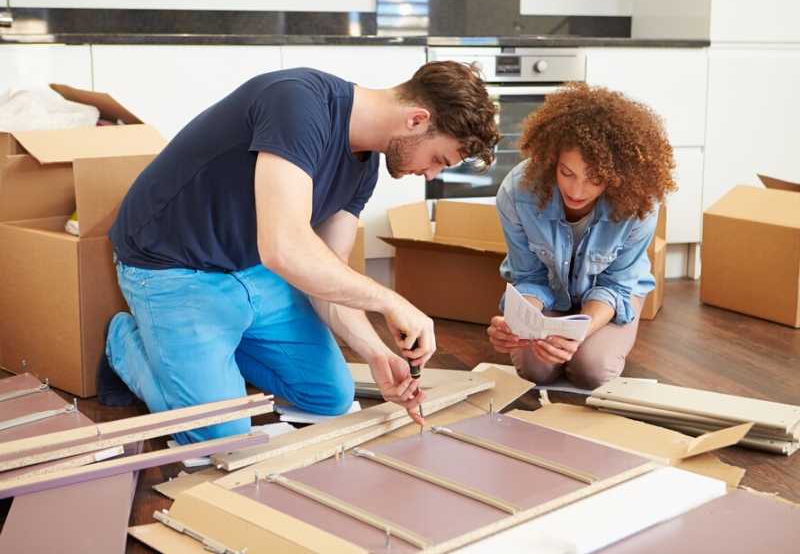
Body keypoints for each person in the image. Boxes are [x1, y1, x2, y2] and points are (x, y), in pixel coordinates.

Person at [100, 62, 499, 443]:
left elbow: (326, 273)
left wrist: (376, 353)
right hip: (172, 264)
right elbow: (285, 248)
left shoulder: (366, 169)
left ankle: (214, 349)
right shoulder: (297, 102)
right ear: (416, 119)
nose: (430, 175)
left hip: (250, 266)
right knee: (219, 438)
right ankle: (126, 342)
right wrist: (389, 301)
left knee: (331, 397)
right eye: (437, 160)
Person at [487, 83, 676, 389]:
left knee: (592, 370)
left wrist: (578, 332)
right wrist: (518, 322)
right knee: (537, 369)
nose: (576, 191)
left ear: (618, 176)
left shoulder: (640, 203)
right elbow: (528, 276)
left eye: (594, 179)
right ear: (551, 161)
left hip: (611, 297)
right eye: (567, 172)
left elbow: (616, 285)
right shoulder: (517, 193)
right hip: (549, 290)